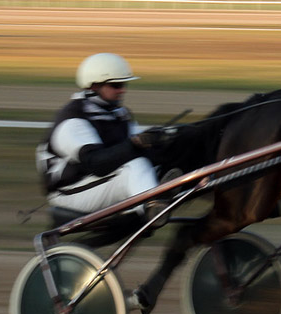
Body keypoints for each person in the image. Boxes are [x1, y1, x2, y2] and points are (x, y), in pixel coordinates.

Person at [36, 52, 177, 223]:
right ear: (94, 86)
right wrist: (136, 143)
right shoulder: (73, 119)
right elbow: (97, 163)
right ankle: (152, 210)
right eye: (116, 85)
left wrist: (162, 142)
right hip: (69, 193)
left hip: (95, 184)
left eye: (124, 84)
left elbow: (133, 150)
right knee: (135, 166)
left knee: (157, 161)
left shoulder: (119, 114)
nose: (123, 90)